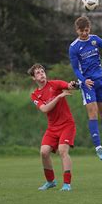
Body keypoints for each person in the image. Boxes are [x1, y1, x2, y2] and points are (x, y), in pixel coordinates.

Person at [68, 16, 102, 161]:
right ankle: (98, 148)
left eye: (86, 30)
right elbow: (75, 69)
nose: (84, 33)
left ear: (89, 29)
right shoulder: (74, 47)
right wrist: (84, 81)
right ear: (76, 30)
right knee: (93, 113)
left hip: (101, 81)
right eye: (81, 31)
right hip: (87, 83)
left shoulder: (95, 39)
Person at [29, 63, 79, 191]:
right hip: (52, 128)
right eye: (38, 73)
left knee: (63, 151)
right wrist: (59, 97)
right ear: (34, 78)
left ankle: (67, 184)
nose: (41, 74)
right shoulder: (34, 95)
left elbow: (68, 86)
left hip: (67, 124)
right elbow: (45, 109)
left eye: (42, 71)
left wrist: (73, 85)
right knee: (44, 152)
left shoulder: (55, 84)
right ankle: (50, 182)